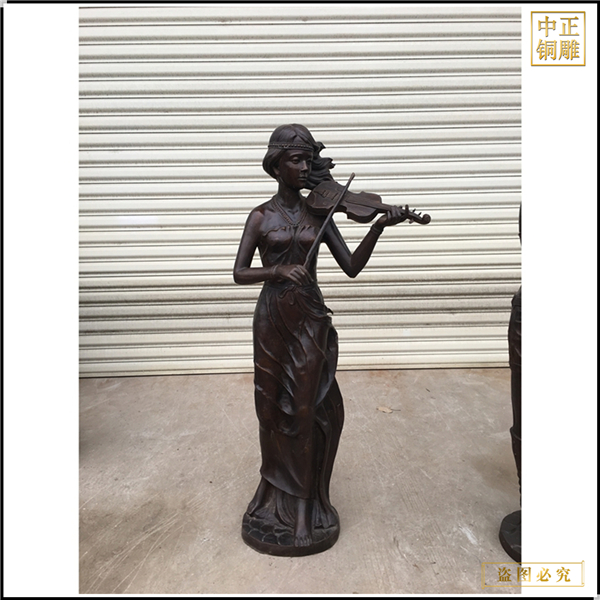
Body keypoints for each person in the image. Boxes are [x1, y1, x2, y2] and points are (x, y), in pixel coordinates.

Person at [233, 124, 406, 555]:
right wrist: (276, 270)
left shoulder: (320, 214)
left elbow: (351, 266)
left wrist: (378, 228)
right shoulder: (261, 216)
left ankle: (305, 505)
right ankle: (270, 487)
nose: (303, 167)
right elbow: (240, 272)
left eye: (308, 160)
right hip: (272, 320)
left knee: (304, 410)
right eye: (296, 159)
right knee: (268, 408)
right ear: (276, 166)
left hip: (309, 320)